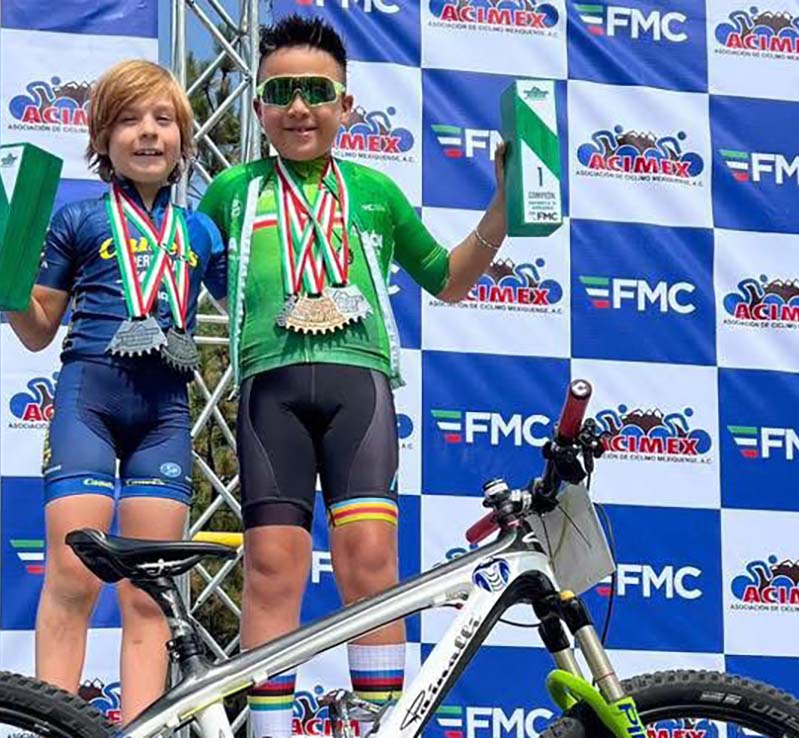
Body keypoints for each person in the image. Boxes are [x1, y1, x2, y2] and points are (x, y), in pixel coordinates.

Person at [196, 15, 509, 738]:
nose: (298, 107)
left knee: (369, 563)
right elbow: (178, 267)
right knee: (272, 567)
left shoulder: (375, 191)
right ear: (257, 107)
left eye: (316, 91)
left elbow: (449, 279)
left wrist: (501, 206)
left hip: (358, 391)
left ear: (346, 105)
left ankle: (378, 726)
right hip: (270, 394)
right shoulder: (231, 190)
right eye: (281, 92)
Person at [0, 60, 228, 724]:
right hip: (88, 405)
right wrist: (2, 265)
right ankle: (53, 726)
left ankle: (142, 730)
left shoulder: (202, 231)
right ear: (102, 139)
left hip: (165, 419)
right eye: (129, 120)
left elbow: (249, 307)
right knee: (73, 578)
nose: (148, 133)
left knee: (151, 595)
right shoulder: (79, 219)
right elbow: (36, 330)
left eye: (163, 120)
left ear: (184, 138)